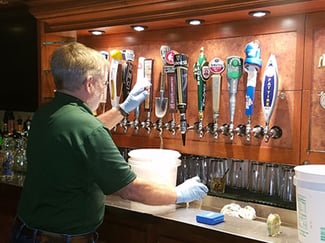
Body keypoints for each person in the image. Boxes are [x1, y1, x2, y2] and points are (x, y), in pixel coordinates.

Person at [10, 42, 208, 243]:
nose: (103, 89)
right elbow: (130, 189)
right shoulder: (86, 128)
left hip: (26, 231)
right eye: (104, 84)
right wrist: (178, 193)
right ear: (89, 84)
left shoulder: (45, 113)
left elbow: (83, 131)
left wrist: (123, 109)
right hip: (58, 239)